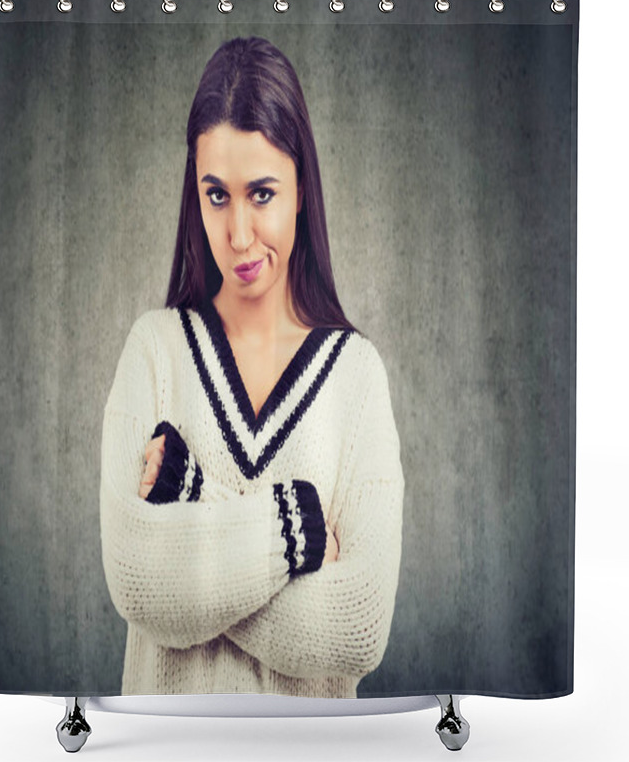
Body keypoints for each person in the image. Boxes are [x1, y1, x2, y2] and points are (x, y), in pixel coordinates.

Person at [99, 36, 405, 698]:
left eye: (261, 193)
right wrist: (300, 535)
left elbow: (358, 628)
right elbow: (135, 578)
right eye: (216, 195)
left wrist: (190, 496)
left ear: (301, 190)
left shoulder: (356, 377)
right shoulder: (153, 351)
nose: (238, 233)